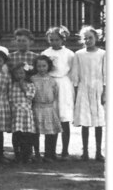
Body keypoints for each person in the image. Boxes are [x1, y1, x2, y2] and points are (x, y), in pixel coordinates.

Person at [41, 25, 76, 158]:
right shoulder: (46, 53)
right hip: (49, 84)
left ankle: (65, 151)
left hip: (64, 85)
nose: (54, 42)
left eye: (57, 39)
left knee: (64, 119)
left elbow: (73, 72)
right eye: (51, 39)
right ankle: (50, 151)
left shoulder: (69, 54)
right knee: (51, 118)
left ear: (63, 39)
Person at [72, 25, 105, 161]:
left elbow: (106, 74)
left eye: (90, 38)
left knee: (98, 122)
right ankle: (85, 151)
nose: (88, 41)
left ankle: (98, 152)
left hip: (98, 89)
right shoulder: (79, 54)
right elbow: (75, 74)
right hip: (83, 89)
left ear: (96, 38)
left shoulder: (103, 54)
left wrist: (105, 93)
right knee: (85, 122)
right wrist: (76, 92)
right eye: (85, 38)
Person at [31, 55, 62, 162]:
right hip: (36, 108)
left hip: (49, 109)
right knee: (35, 133)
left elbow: (55, 95)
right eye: (39, 66)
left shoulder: (52, 80)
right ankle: (36, 154)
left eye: (44, 66)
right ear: (35, 67)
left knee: (51, 133)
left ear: (48, 66)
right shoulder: (32, 79)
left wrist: (54, 109)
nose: (41, 68)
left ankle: (49, 154)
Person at [9, 62, 37, 163]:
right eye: (17, 73)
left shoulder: (30, 85)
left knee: (27, 135)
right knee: (17, 134)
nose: (19, 75)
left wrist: (23, 87)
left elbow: (31, 96)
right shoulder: (12, 85)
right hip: (16, 113)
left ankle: (27, 155)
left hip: (26, 113)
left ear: (26, 74)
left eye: (21, 73)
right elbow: (10, 98)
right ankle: (17, 154)